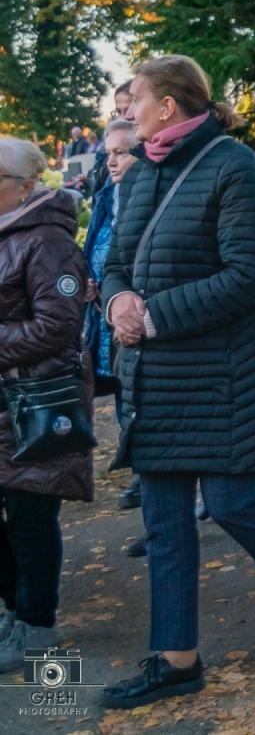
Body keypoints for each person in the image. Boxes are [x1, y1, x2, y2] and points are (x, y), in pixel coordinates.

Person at [99, 55, 255, 709]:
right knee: (164, 519)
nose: (126, 110)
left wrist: (152, 316)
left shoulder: (235, 167)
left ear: (168, 105)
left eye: (135, 99)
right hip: (156, 375)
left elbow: (247, 279)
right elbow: (117, 259)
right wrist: (118, 300)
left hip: (225, 376)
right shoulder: (141, 170)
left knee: (232, 502)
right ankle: (176, 658)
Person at [0, 137, 91, 674]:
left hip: (33, 400)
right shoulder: (7, 231)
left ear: (25, 186)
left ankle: (36, 624)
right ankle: (15, 609)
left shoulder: (47, 240)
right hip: (8, 396)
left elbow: (59, 324)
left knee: (30, 513)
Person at [84, 120, 139, 510]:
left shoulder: (148, 194)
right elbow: (98, 245)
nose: (112, 162)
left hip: (135, 313)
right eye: (108, 154)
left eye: (122, 153)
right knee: (122, 392)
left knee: (139, 396)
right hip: (105, 312)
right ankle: (141, 472)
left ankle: (151, 476)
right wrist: (89, 279)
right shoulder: (108, 193)